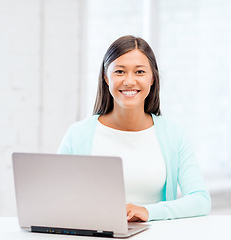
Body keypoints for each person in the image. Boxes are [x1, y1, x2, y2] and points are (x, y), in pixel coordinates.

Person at [58, 35, 211, 222]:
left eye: (139, 72)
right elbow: (57, 199)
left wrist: (148, 212)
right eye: (120, 72)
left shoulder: (173, 134)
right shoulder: (78, 134)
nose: (129, 81)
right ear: (106, 77)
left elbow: (201, 200)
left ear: (152, 78)